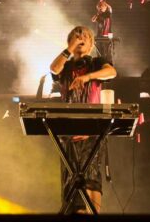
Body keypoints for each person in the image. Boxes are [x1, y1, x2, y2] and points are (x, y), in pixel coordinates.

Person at [49, 26, 117, 213]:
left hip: (92, 129)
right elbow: (54, 69)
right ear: (70, 41)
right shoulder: (65, 66)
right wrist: (70, 49)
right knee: (71, 179)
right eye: (77, 36)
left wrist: (87, 77)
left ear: (91, 44)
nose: (81, 38)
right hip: (69, 130)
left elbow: (111, 72)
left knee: (92, 177)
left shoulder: (96, 63)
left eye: (85, 36)